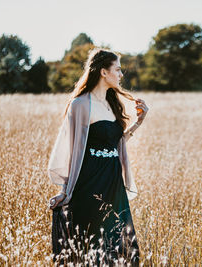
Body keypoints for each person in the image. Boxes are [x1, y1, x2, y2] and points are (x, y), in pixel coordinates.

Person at [47, 47, 148, 266]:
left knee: (120, 248)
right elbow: (73, 150)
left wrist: (138, 123)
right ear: (103, 72)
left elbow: (115, 143)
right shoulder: (80, 104)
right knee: (91, 249)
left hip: (113, 184)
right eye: (118, 70)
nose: (121, 75)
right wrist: (65, 191)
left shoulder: (112, 104)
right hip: (90, 184)